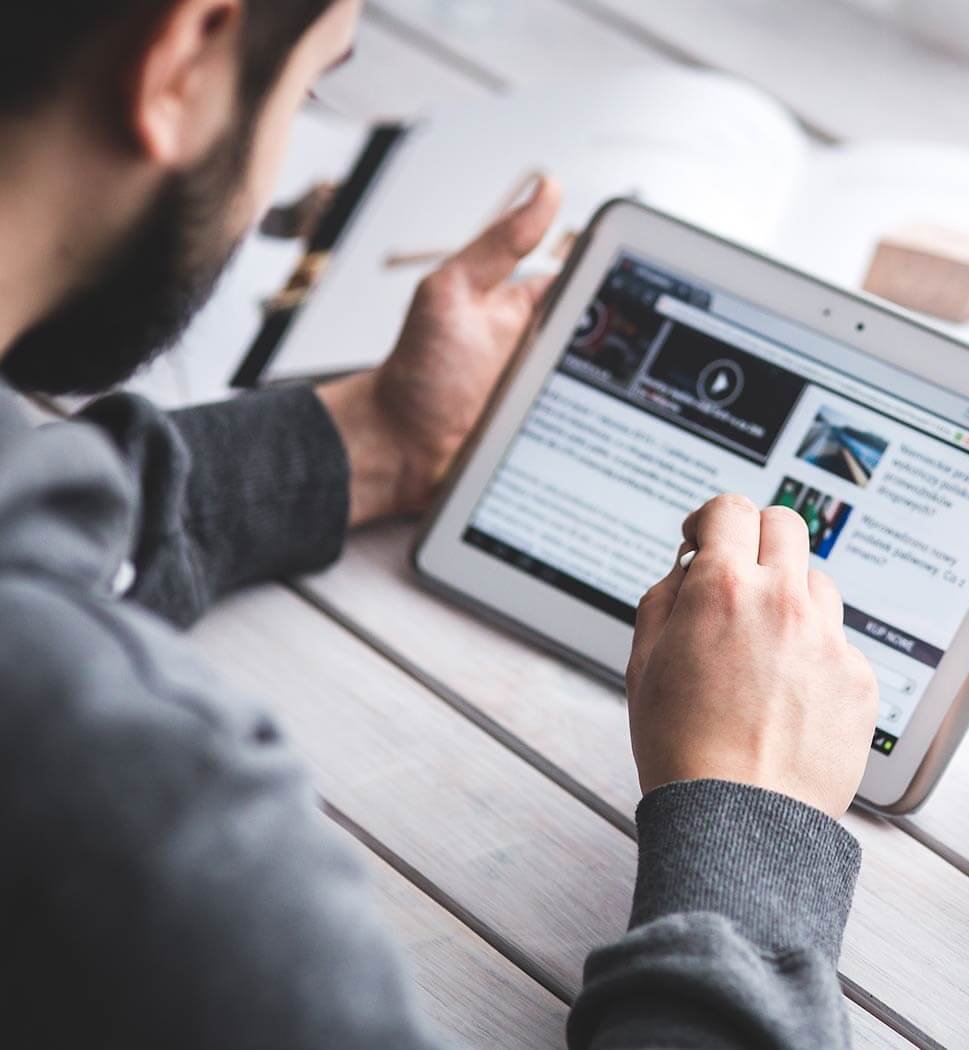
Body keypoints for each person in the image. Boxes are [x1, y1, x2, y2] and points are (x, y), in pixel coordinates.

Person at [0, 1, 880, 1047]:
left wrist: (371, 439)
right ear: (185, 53)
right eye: (313, 82)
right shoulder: (156, 832)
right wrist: (752, 828)